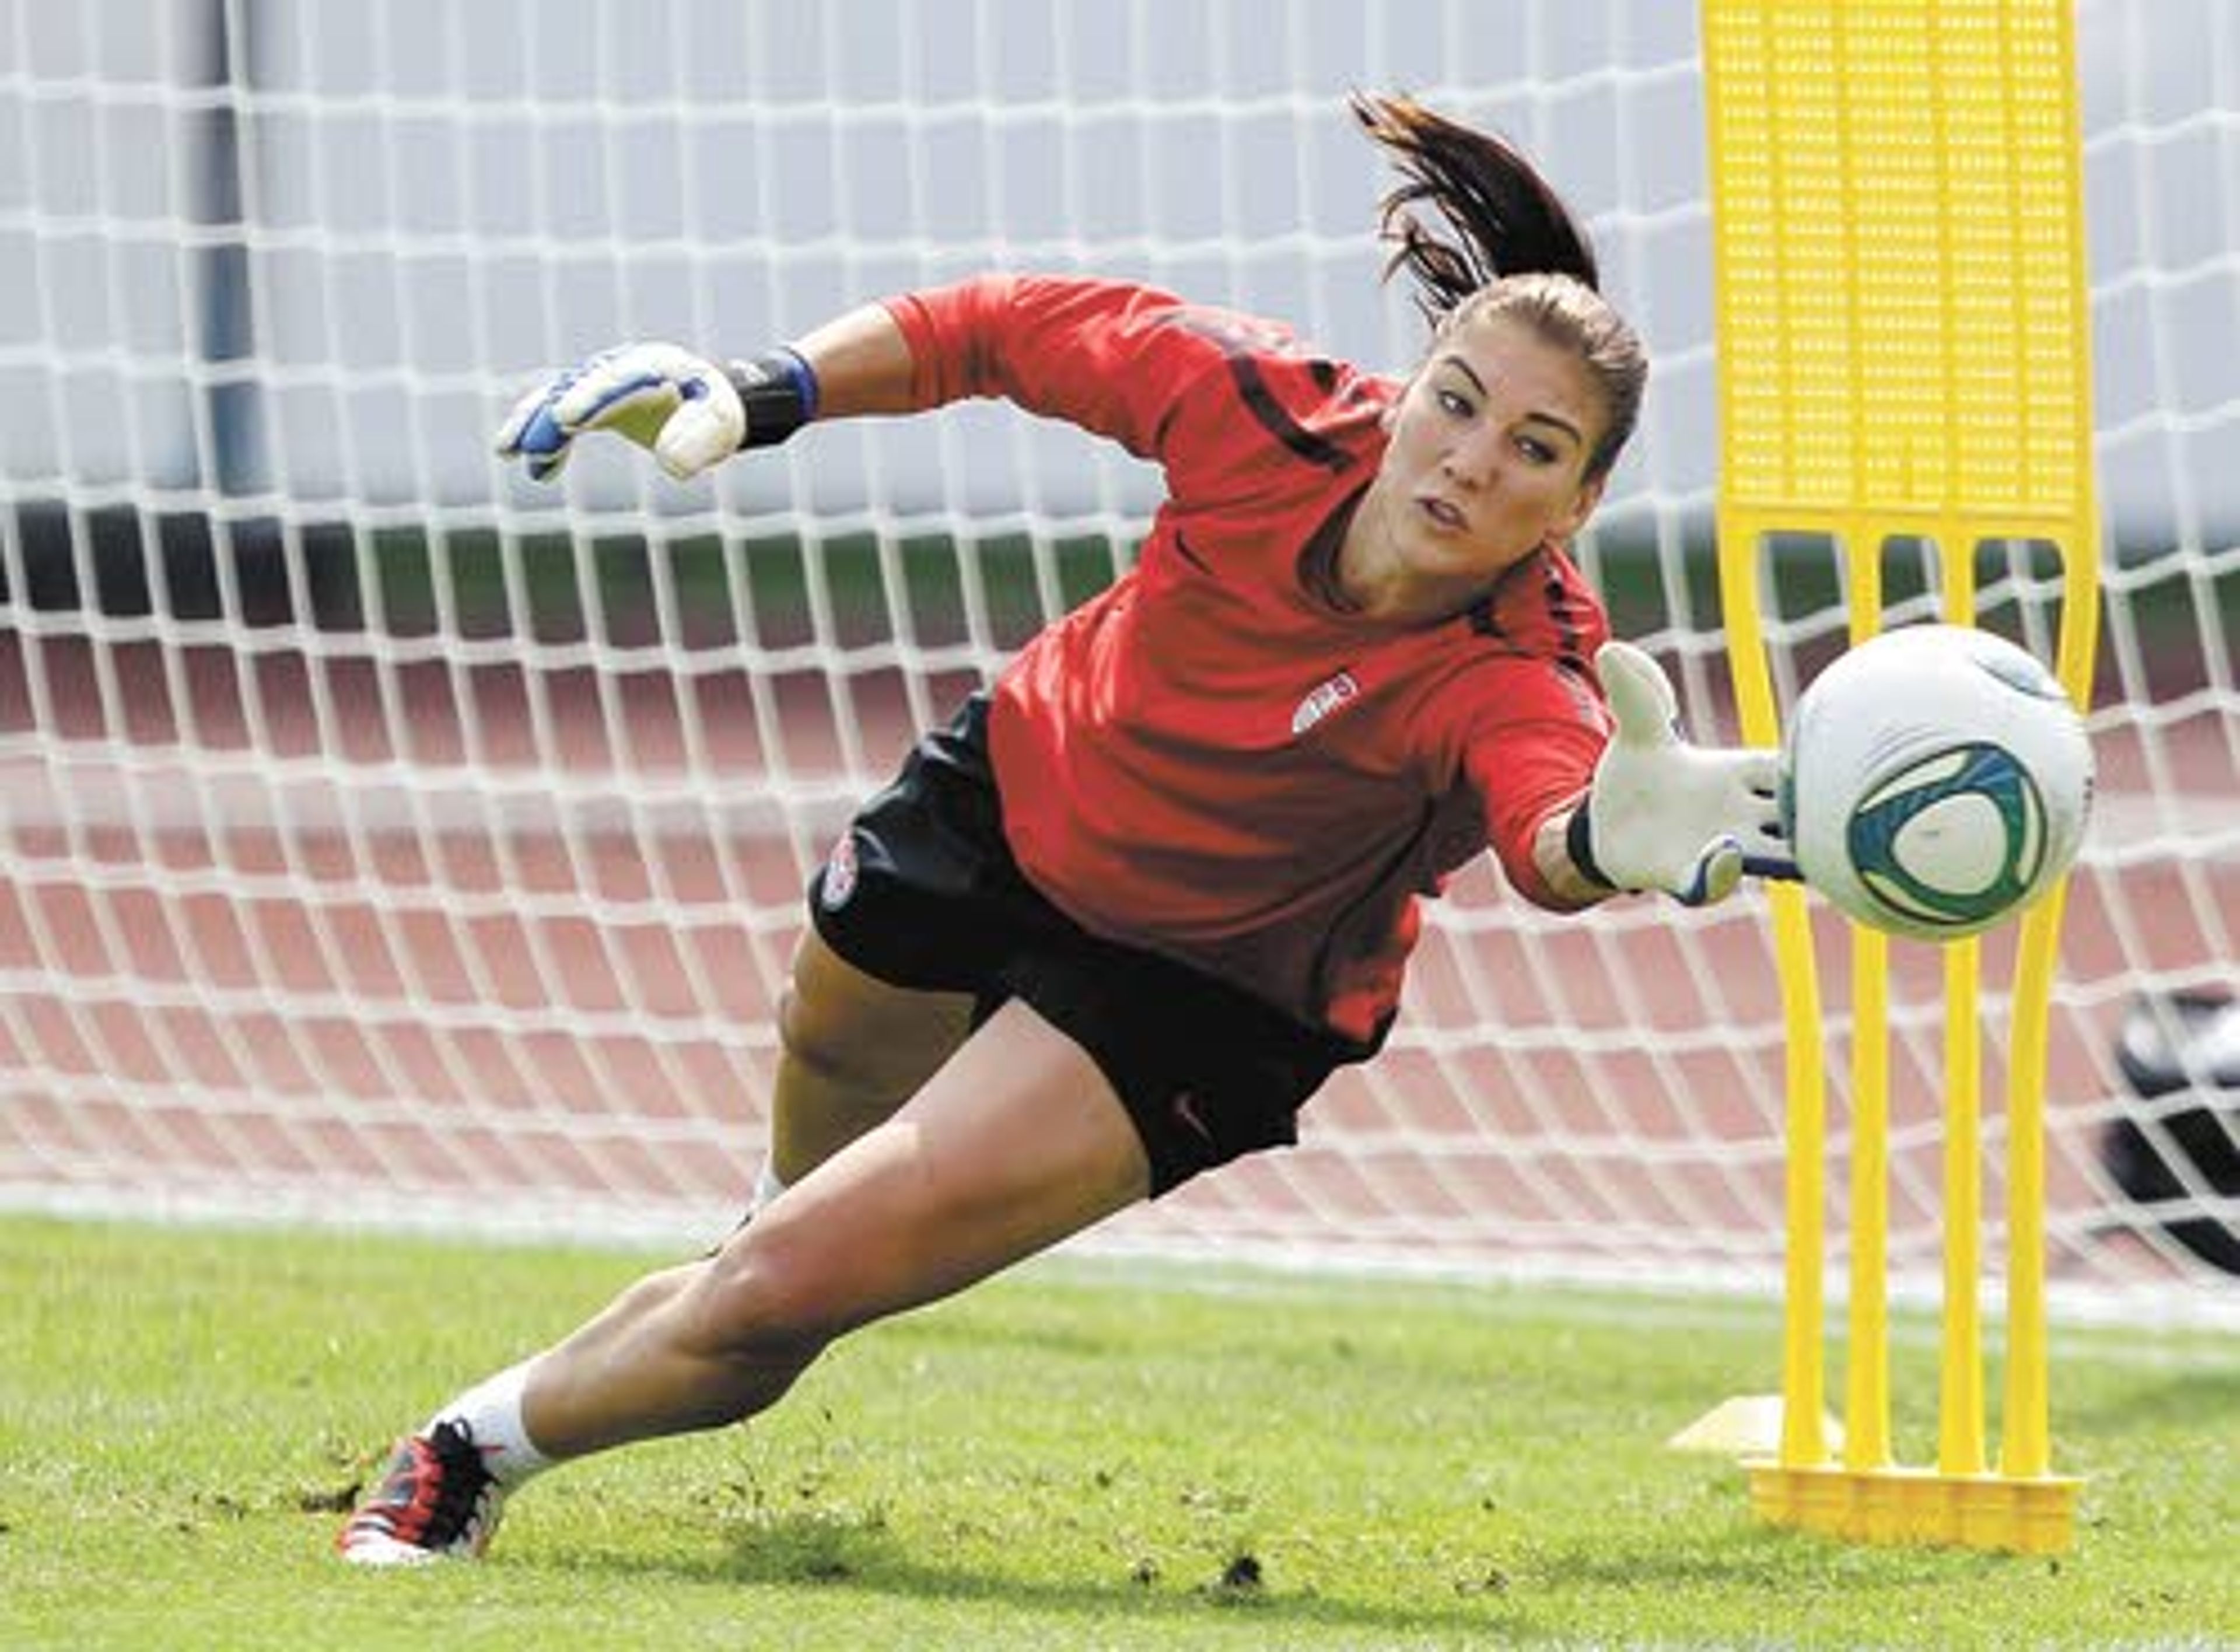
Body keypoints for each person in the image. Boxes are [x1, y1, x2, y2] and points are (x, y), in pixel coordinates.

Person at [337, 92, 1793, 1566]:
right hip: (1016, 797)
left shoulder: (1523, 661)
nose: (1477, 460)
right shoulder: (1264, 412)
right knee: (802, 1147)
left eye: (1537, 450)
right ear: (1408, 388)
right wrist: (762, 387)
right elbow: (997, 327)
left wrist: (1614, 836)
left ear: (1582, 502)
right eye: (1461, 402)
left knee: (780, 1292)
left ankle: (462, 1454)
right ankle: (746, 1278)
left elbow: (1549, 832)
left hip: (1196, 993)